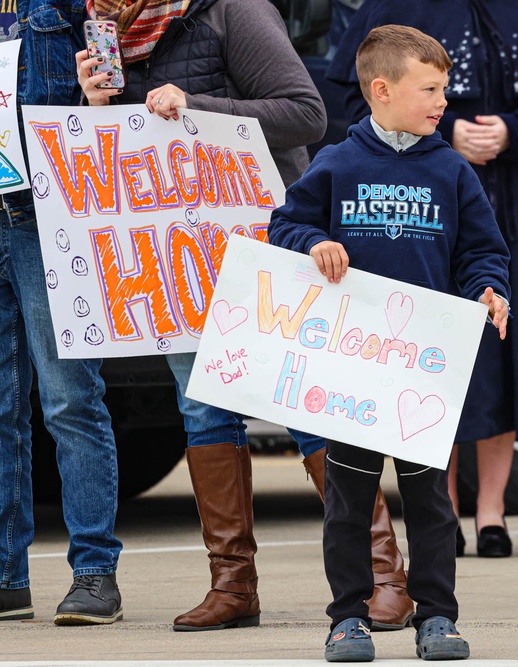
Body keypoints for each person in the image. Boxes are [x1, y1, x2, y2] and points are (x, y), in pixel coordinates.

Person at [75, 0, 413, 632]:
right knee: (202, 407)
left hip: (264, 239)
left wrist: (199, 105)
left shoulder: (234, 10)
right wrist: (99, 110)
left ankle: (383, 575)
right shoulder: (105, 29)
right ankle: (232, 586)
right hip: (176, 249)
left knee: (307, 403)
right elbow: (139, 147)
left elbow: (305, 114)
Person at [268, 24, 511, 661]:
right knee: (348, 501)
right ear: (381, 90)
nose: (442, 103)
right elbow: (286, 224)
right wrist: (312, 243)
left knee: (432, 502)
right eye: (430, 89)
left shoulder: (453, 171)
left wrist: (488, 290)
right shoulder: (338, 163)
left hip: (423, 371)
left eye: (444, 89)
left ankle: (437, 617)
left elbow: (481, 251)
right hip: (352, 368)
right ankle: (346, 618)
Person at [328, 0, 518, 559]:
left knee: (505, 353)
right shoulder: (394, 6)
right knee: (435, 354)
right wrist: (449, 129)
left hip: (513, 201)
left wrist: (513, 130)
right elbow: (357, 92)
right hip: (422, 194)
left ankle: (493, 514)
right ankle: (444, 510)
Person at [0, 0, 124, 626]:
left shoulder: (73, 5)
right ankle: (5, 578)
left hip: (47, 213)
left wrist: (94, 100)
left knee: (69, 397)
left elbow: (106, 88)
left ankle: (95, 572)